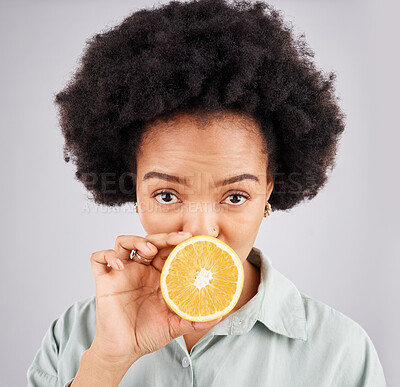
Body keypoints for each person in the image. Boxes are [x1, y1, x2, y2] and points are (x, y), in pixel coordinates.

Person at [27, 0, 387, 386]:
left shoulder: (340, 352)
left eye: (235, 196)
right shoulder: (74, 336)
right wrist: (107, 362)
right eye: (167, 195)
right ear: (134, 188)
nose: (200, 230)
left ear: (268, 190)